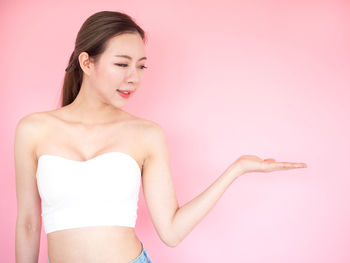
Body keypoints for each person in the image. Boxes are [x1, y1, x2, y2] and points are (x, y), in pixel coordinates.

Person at [14, 10, 308, 263]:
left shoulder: (147, 134)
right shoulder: (33, 129)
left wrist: (237, 169)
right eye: (122, 64)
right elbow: (28, 223)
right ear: (87, 63)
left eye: (141, 66)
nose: (134, 77)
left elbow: (171, 231)